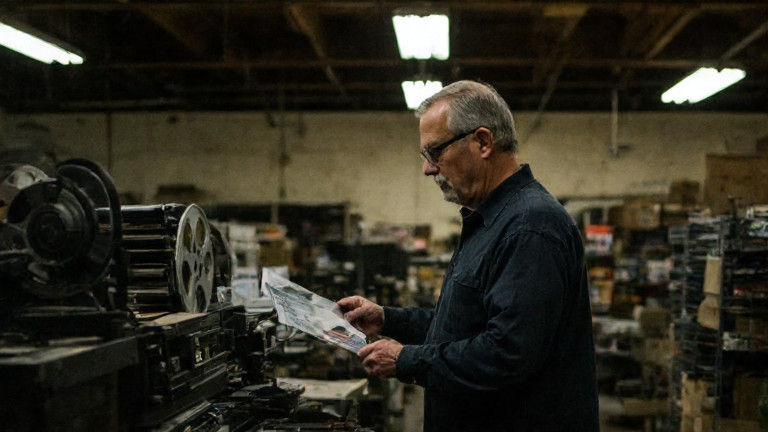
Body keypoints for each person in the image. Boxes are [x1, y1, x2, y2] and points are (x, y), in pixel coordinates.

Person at [337, 80, 599, 431]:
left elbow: (508, 353)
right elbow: (463, 327)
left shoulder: (530, 226)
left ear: (483, 142)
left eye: (435, 152)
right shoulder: (490, 221)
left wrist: (406, 360)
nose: (428, 169)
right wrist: (387, 319)